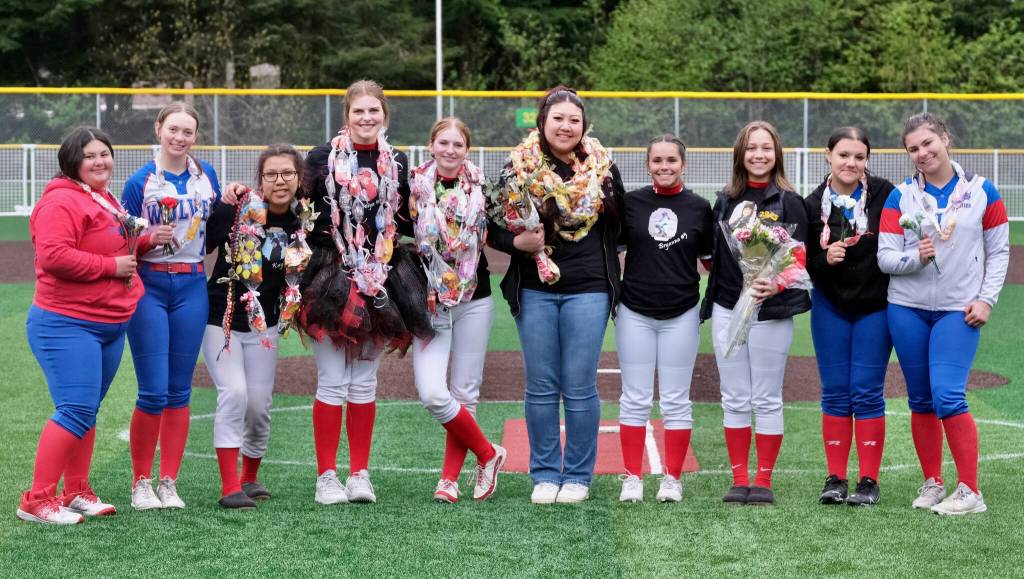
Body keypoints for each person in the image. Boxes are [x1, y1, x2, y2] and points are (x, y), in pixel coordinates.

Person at [18, 127, 171, 524]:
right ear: (72, 161)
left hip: (107, 322)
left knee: (86, 411)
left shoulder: (100, 196)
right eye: (90, 155)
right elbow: (53, 256)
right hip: (67, 323)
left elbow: (108, 243)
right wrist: (111, 267)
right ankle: (36, 500)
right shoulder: (62, 201)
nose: (100, 161)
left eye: (105, 153)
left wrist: (145, 241)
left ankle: (76, 492)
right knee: (75, 409)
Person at [298, 79, 431, 505]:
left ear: (385, 115)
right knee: (333, 379)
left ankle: (359, 474)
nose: (367, 118)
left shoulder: (400, 162)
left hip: (383, 279)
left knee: (364, 383)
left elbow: (411, 219)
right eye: (359, 111)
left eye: (374, 111)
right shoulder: (321, 158)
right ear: (347, 115)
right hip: (329, 276)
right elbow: (294, 204)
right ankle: (326, 477)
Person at [489, 86, 625, 504]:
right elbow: (493, 226)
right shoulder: (517, 169)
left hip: (588, 288)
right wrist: (519, 246)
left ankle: (579, 476)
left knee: (580, 385)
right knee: (542, 386)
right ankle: (546, 473)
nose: (566, 126)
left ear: (584, 126)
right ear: (542, 123)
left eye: (574, 120)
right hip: (535, 288)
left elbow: (619, 230)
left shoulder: (603, 169)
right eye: (558, 118)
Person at [878, 113, 1009, 515]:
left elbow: (999, 251)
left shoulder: (983, 190)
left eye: (927, 143)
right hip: (907, 308)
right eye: (913, 148)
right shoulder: (900, 196)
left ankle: (971, 490)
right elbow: (885, 257)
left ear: (945, 139)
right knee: (920, 399)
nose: (921, 153)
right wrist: (914, 259)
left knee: (948, 394)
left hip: (959, 309)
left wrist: (986, 299)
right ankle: (933, 482)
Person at [122, 101, 227, 511]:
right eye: (173, 130)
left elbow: (217, 222)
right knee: (152, 391)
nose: (180, 138)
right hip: (149, 285)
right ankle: (141, 482)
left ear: (195, 136)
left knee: (179, 391)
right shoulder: (140, 180)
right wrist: (148, 238)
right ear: (159, 128)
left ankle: (169, 482)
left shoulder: (206, 176)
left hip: (191, 284)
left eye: (188, 132)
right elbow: (121, 238)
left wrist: (235, 197)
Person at [700, 120, 810, 505]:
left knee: (766, 396)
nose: (759, 155)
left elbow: (799, 261)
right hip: (729, 307)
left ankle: (763, 480)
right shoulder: (726, 199)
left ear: (776, 153)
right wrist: (740, 278)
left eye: (766, 148)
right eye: (751, 148)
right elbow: (712, 258)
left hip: (772, 310)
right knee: (734, 396)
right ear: (740, 154)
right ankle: (739, 478)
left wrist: (772, 282)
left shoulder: (790, 200)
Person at [202, 144, 309, 509]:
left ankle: (249, 477)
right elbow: (199, 245)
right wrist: (224, 198)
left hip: (266, 325)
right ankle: (229, 486)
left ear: (298, 178)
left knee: (260, 405)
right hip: (223, 319)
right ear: (259, 179)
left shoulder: (305, 219)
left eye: (287, 174)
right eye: (271, 174)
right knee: (234, 393)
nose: (279, 181)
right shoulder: (236, 211)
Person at [409, 118, 506, 504]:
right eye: (443, 142)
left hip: (474, 298)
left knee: (465, 391)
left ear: (467, 150)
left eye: (458, 145)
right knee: (433, 392)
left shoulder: (483, 188)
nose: (450, 150)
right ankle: (488, 453)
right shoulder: (411, 187)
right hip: (430, 301)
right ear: (431, 145)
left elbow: (500, 232)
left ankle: (449, 480)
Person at [615, 135, 712, 503]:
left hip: (682, 312)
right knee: (634, 398)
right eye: (657, 160)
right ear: (648, 164)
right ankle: (631, 478)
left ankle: (672, 478)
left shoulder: (699, 207)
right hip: (635, 312)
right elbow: (615, 250)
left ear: (683, 164)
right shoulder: (631, 204)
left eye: (671, 160)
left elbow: (710, 262)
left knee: (676, 400)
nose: (664, 166)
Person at [804, 127, 895, 506]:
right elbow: (800, 263)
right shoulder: (811, 204)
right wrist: (824, 260)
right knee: (836, 392)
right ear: (828, 155)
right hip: (830, 306)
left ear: (866, 160)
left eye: (859, 157)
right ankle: (836, 478)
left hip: (875, 307)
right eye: (843, 155)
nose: (851, 163)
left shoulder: (886, 194)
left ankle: (868, 481)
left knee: (868, 392)